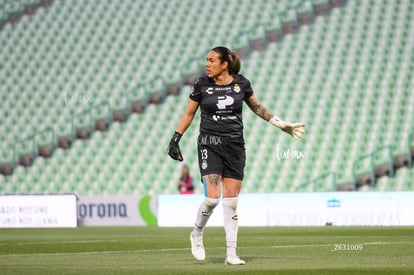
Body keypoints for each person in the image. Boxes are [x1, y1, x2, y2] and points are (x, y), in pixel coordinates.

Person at [168, 46, 305, 265]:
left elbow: (257, 107)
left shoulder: (242, 83)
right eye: (207, 60)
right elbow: (189, 113)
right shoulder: (201, 84)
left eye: (212, 60)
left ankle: (231, 254)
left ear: (225, 64)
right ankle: (196, 233)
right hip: (209, 144)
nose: (207, 64)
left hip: (234, 147)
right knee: (212, 198)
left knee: (231, 202)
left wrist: (279, 123)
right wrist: (175, 138)